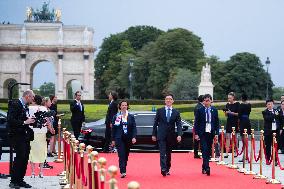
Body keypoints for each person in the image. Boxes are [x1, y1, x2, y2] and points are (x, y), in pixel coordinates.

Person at [7, 89, 35, 188]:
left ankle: (20, 180)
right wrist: (24, 122)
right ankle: (13, 181)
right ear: (27, 96)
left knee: (25, 157)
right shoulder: (15, 104)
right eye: (32, 97)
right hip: (16, 135)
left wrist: (31, 121)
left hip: (25, 135)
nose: (33, 99)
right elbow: (10, 120)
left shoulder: (25, 106)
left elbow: (24, 119)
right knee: (20, 157)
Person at [152, 93, 182, 177]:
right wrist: (154, 134)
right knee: (162, 153)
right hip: (161, 135)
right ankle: (163, 168)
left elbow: (179, 124)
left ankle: (168, 168)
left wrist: (179, 134)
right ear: (165, 101)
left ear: (173, 101)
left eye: (170, 99)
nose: (168, 100)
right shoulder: (160, 111)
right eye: (167, 99)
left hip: (171, 136)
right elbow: (155, 123)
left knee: (168, 153)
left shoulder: (176, 112)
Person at [28, 96, 55, 178]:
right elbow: (48, 121)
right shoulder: (44, 109)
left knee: (32, 152)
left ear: (34, 100)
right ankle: (41, 172)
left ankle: (32, 172)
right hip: (42, 132)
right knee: (42, 151)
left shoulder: (29, 108)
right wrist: (51, 129)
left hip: (32, 133)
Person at [194, 94, 219, 176]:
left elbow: (216, 123)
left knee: (208, 150)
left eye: (208, 100)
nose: (206, 102)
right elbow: (196, 123)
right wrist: (196, 134)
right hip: (202, 133)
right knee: (204, 149)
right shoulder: (200, 110)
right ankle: (207, 167)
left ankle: (204, 166)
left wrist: (216, 133)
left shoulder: (214, 110)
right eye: (205, 100)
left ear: (211, 101)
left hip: (210, 132)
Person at [111, 100, 137, 178]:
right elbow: (114, 129)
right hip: (119, 138)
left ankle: (124, 166)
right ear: (120, 106)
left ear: (127, 106)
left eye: (125, 105)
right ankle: (123, 171)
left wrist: (134, 137)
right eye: (123, 105)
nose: (124, 106)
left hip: (128, 138)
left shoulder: (131, 116)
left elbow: (134, 128)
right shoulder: (117, 116)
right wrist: (113, 139)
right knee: (121, 154)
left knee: (126, 155)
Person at [262, 99, 281, 164]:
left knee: (275, 146)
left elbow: (280, 119)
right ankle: (268, 158)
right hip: (268, 131)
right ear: (266, 105)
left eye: (271, 104)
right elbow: (268, 118)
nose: (270, 105)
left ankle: (275, 160)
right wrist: (274, 115)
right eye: (269, 104)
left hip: (276, 131)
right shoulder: (264, 112)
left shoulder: (277, 111)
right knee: (268, 146)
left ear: (273, 104)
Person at [224, 92, 239, 158]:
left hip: (235, 121)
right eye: (228, 98)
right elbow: (226, 115)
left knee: (234, 137)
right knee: (227, 137)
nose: (229, 99)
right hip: (229, 121)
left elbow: (238, 114)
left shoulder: (237, 104)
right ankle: (227, 152)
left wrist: (231, 112)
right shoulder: (227, 104)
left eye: (230, 98)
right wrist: (226, 113)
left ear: (233, 97)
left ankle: (235, 151)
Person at [238, 94, 251, 162]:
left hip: (242, 122)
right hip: (247, 121)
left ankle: (245, 156)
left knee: (243, 140)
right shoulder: (249, 105)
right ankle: (246, 155)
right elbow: (249, 112)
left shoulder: (241, 105)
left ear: (242, 98)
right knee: (246, 139)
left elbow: (239, 115)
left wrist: (238, 123)